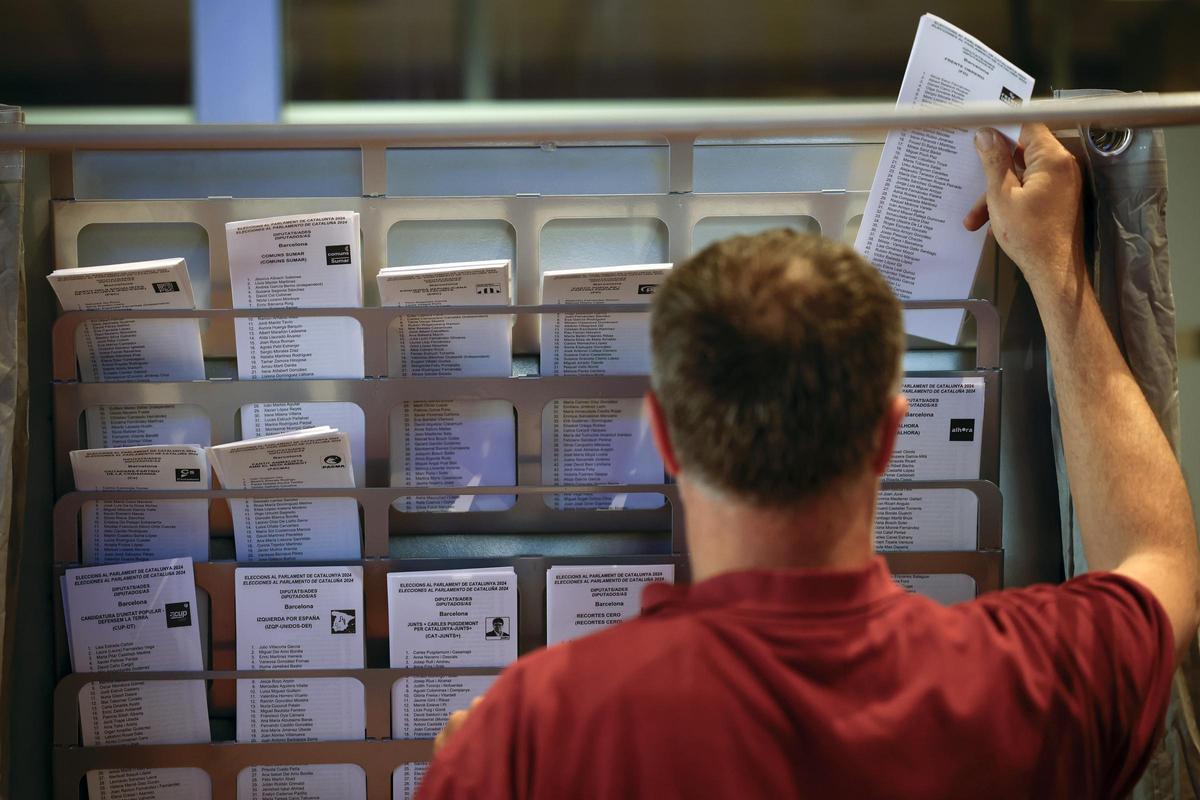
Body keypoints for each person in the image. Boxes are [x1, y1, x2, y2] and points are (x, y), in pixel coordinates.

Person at [417, 124, 1200, 799]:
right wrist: (1054, 271)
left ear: (664, 436)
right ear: (888, 437)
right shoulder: (1023, 686)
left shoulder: (530, 739)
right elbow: (1159, 558)